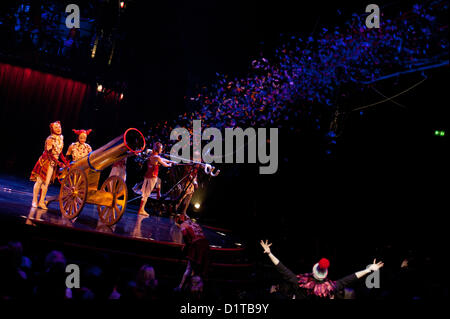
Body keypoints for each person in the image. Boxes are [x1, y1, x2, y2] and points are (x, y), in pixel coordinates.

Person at [259, 240, 384, 299]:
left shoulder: (299, 283)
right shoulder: (332, 287)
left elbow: (283, 269)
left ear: (314, 271)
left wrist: (269, 253)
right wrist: (368, 270)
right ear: (325, 275)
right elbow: (351, 278)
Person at [30, 121, 69, 209]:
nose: (58, 129)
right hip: (46, 161)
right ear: (52, 129)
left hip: (53, 162)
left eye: (59, 127)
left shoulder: (61, 138)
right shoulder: (50, 139)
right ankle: (34, 200)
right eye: (56, 128)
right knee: (39, 181)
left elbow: (60, 152)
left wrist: (65, 162)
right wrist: (59, 163)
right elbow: (49, 154)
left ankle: (41, 201)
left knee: (46, 183)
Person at [174, 214, 210, 291]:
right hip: (205, 245)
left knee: (190, 267)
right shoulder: (194, 223)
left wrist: (186, 246)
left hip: (197, 245)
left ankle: (181, 287)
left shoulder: (183, 224)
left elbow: (186, 236)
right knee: (199, 268)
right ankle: (197, 288)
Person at [138, 142, 174, 216]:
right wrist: (170, 164)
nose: (161, 150)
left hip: (147, 175)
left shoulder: (152, 154)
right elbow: (165, 165)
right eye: (161, 149)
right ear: (158, 149)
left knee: (145, 193)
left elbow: (162, 159)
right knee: (146, 193)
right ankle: (141, 210)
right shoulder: (157, 157)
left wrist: (170, 160)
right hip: (152, 177)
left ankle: (141, 209)